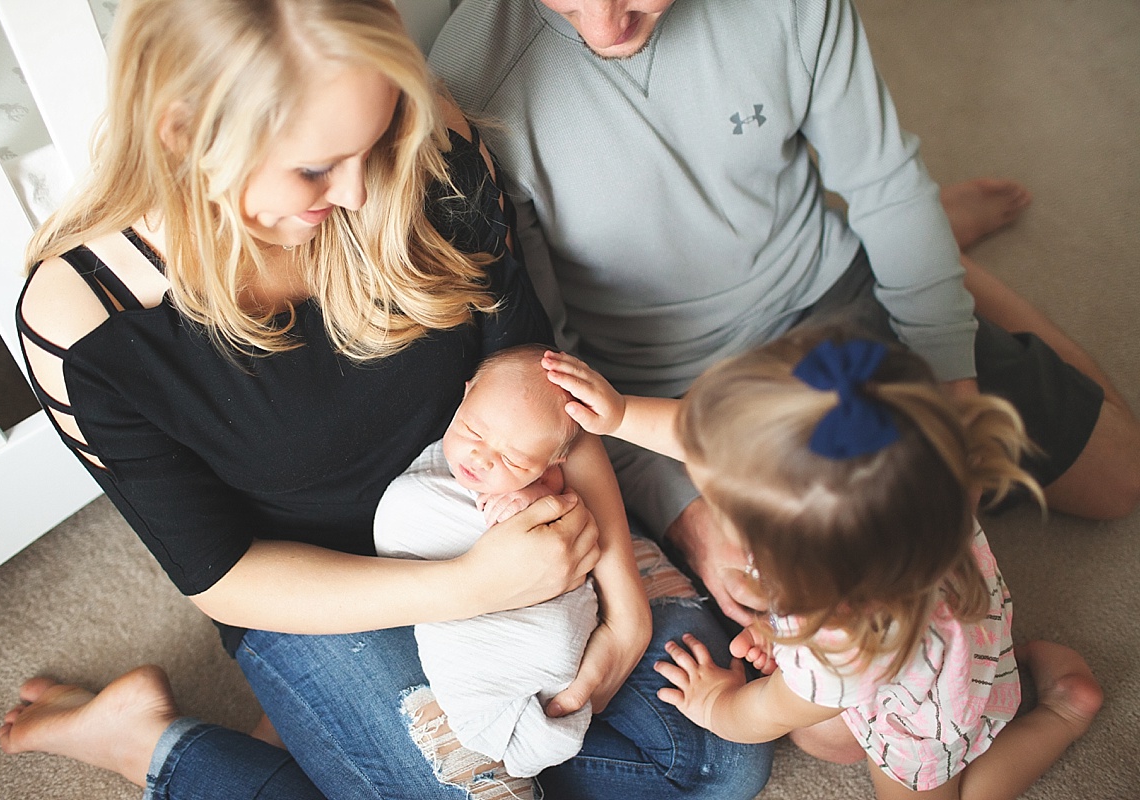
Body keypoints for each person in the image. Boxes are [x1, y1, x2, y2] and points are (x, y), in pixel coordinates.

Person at [0, 1, 774, 799]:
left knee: (719, 758)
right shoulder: (86, 321)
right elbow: (219, 574)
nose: (362, 189)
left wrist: (625, 614)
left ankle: (319, 744)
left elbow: (549, 398)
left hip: (503, 501)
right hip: (324, 592)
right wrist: (473, 587)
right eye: (315, 168)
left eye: (369, 146)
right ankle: (158, 747)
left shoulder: (419, 143)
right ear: (183, 130)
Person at [429, 0, 1140, 635]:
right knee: (818, 696)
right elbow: (552, 359)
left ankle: (949, 266)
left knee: (1121, 480)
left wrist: (955, 379)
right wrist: (685, 511)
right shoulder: (466, 85)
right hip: (670, 391)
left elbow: (885, 186)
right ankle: (937, 250)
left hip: (835, 304)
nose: (607, 27)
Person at [543, 331, 1104, 798]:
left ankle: (1063, 713)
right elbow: (718, 442)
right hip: (960, 636)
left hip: (928, 716)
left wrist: (716, 702)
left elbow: (768, 710)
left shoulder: (838, 646)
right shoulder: (913, 486)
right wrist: (618, 416)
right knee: (830, 736)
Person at [373, 343, 599, 782]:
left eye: (513, 459)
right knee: (407, 507)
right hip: (449, 583)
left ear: (554, 461)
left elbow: (567, 512)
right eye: (474, 431)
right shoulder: (440, 463)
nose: (481, 458)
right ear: (466, 392)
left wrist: (530, 499)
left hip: (538, 607)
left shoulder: (547, 478)